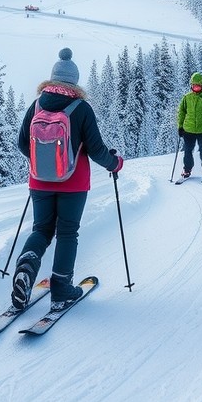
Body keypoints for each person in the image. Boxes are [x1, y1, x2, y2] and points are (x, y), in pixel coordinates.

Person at [12, 47, 123, 310]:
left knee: (41, 230)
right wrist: (115, 163)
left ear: (52, 78)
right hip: (73, 184)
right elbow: (96, 150)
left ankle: (26, 268)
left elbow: (21, 143)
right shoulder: (81, 108)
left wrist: (41, 163)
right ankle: (61, 290)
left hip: (39, 182)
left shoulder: (37, 104)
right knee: (67, 233)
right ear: (74, 81)